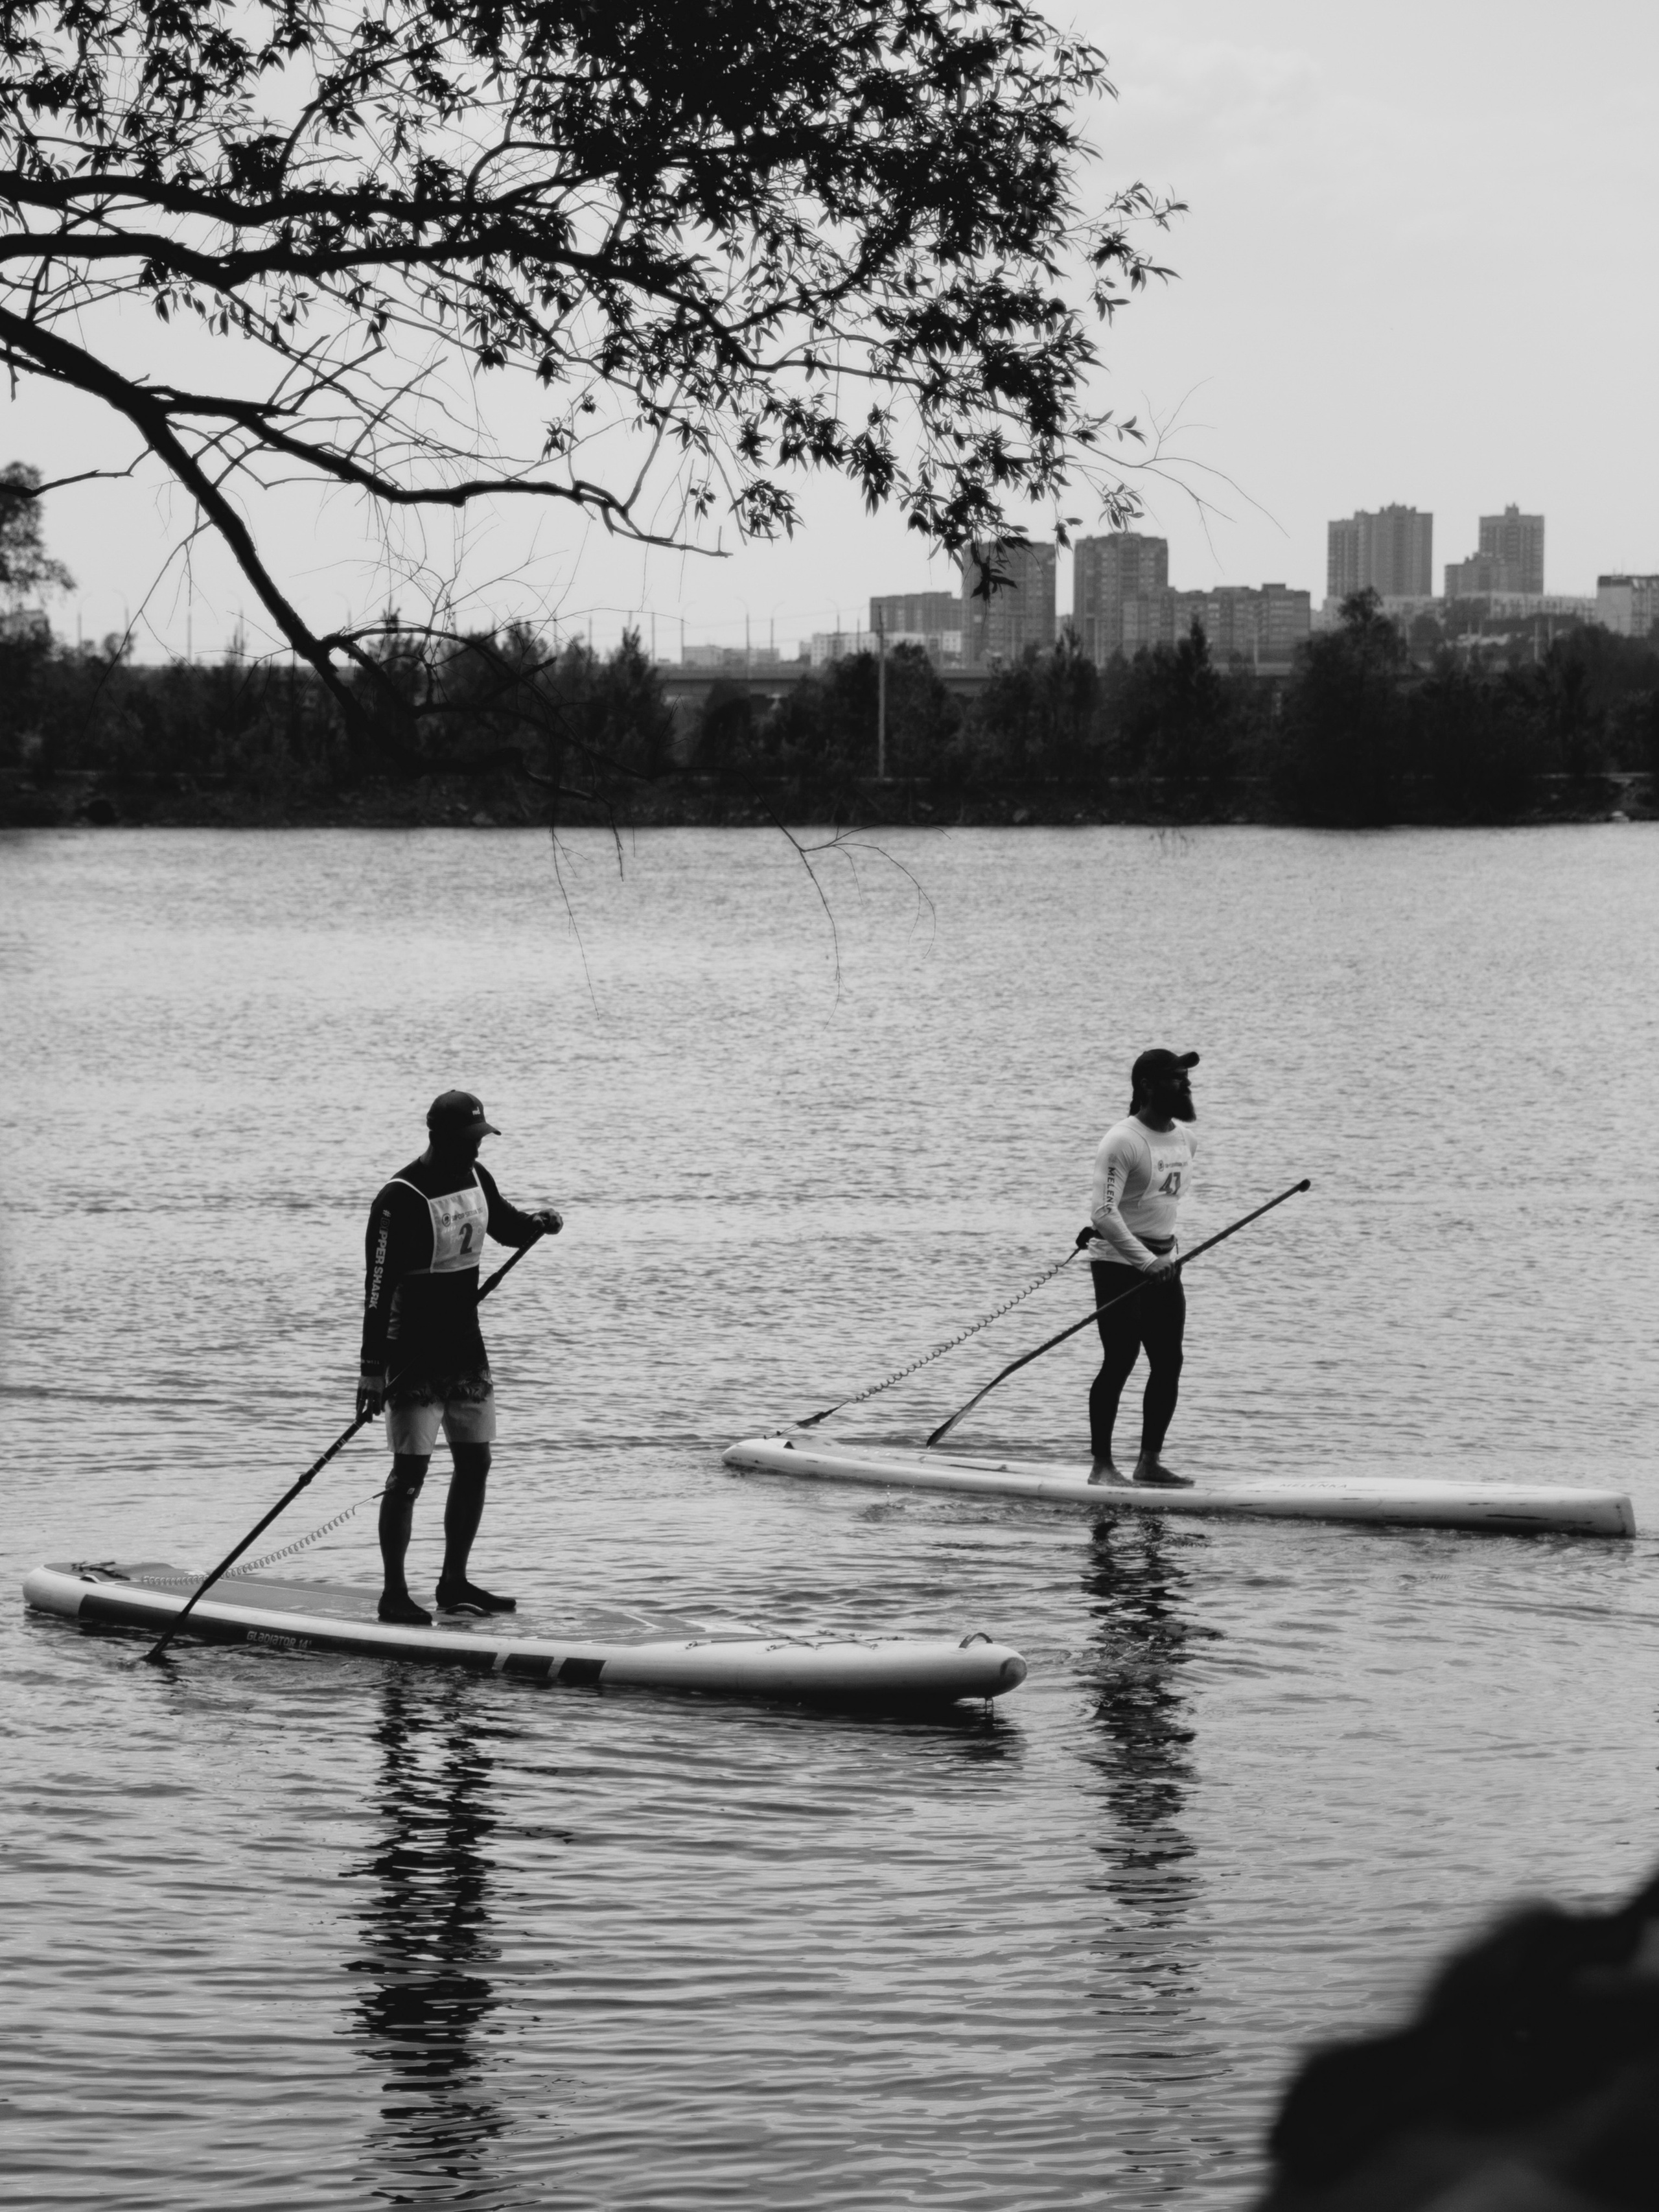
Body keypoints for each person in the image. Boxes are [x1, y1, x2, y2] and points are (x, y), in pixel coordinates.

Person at [358, 1090, 563, 1624]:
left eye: (481, 1139)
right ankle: (394, 1594)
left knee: (476, 1462)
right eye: (470, 1140)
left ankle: (453, 1581)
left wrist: (540, 1222)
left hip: (465, 1349)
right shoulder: (396, 1198)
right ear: (439, 1137)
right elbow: (376, 1290)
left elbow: (507, 1228)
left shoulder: (478, 1178)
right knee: (409, 1474)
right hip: (412, 1354)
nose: (477, 1149)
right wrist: (371, 1371)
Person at [1079, 1049, 1200, 1488]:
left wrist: (1163, 1259)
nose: (1185, 1085)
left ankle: (1148, 1462)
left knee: (1169, 1361)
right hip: (1118, 1263)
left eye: (1186, 1078)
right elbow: (1104, 1214)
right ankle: (1102, 1467)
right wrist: (1144, 1260)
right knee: (1121, 1358)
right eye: (1175, 1078)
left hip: (1165, 1265)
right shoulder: (1122, 1140)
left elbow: (1158, 1207)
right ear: (1147, 1084)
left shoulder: (1186, 1140)